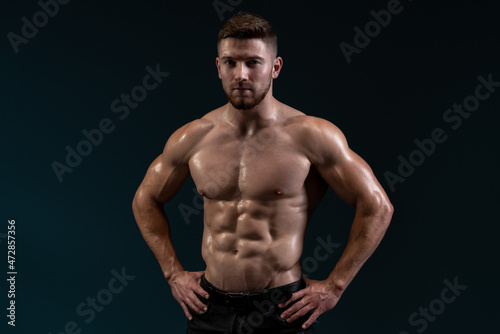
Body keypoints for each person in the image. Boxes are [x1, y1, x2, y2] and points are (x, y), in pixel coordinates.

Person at [132, 11, 393, 334]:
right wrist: (173, 273)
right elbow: (145, 199)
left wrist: (335, 286)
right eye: (230, 62)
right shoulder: (194, 136)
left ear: (275, 67)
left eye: (253, 62)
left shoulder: (310, 135)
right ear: (218, 68)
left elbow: (377, 207)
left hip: (281, 309)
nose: (241, 74)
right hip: (209, 309)